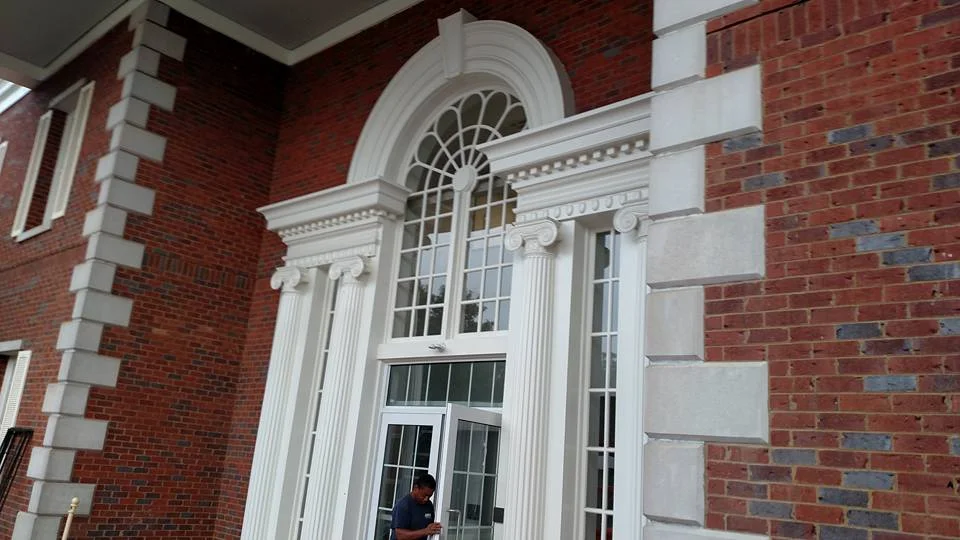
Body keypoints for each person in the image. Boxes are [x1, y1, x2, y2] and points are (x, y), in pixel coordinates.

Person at [390, 473, 442, 540]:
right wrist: (425, 531)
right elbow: (400, 535)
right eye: (424, 495)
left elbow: (429, 528)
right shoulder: (403, 506)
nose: (426, 499)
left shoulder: (429, 505)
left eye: (429, 496)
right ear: (416, 488)